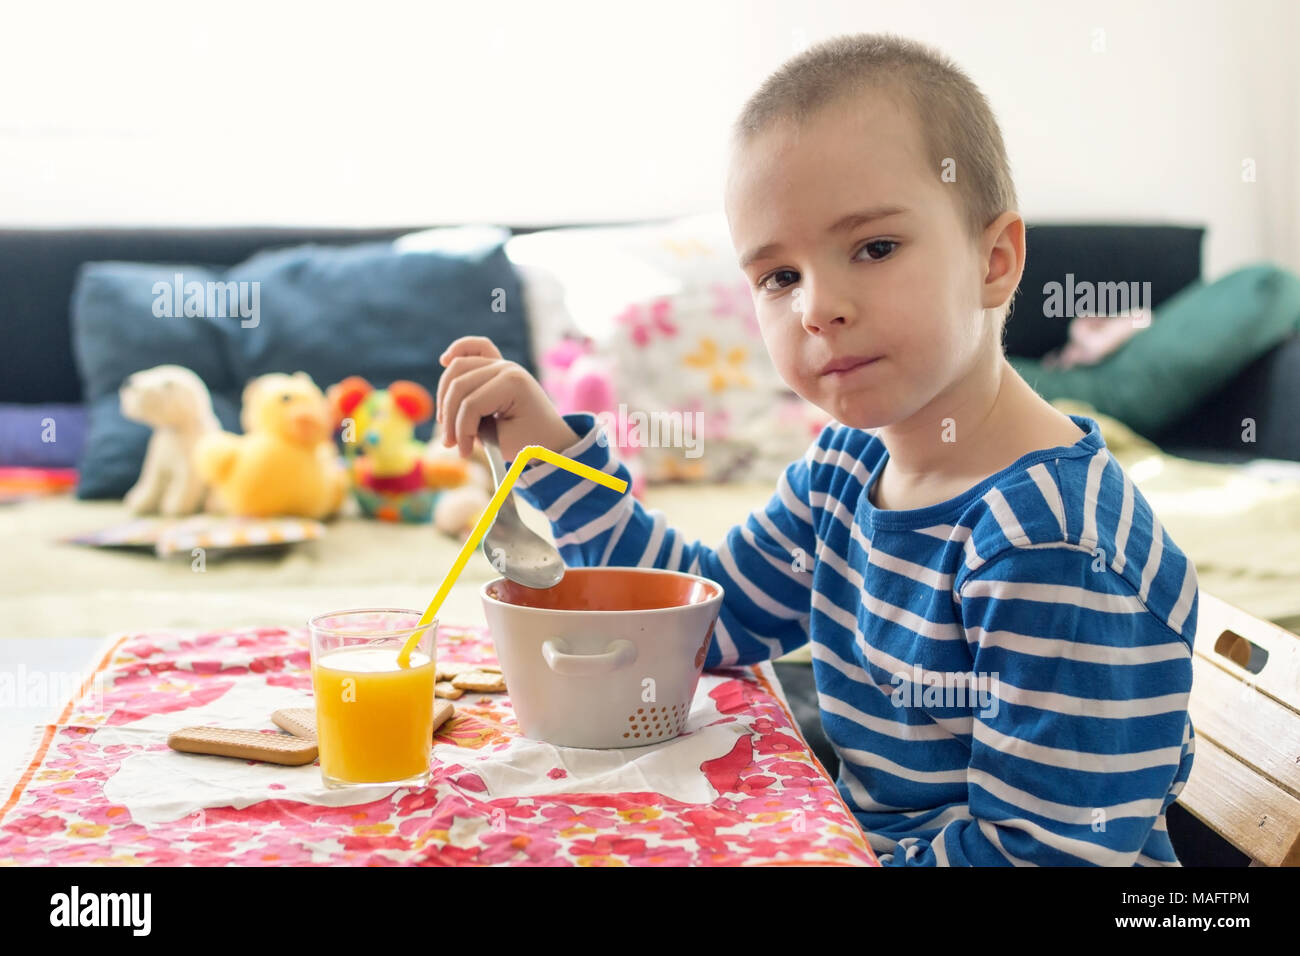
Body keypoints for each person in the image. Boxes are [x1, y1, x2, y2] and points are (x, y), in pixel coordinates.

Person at [433, 32, 1198, 866]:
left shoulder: (1048, 547)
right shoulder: (849, 468)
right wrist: (546, 449)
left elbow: (1043, 858)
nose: (818, 307)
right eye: (779, 276)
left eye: (873, 248)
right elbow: (708, 617)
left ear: (995, 259)